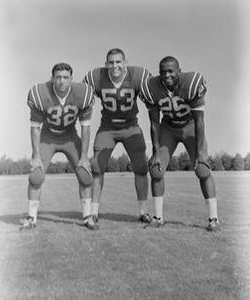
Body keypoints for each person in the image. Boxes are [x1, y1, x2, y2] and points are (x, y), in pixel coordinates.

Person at [140, 56, 220, 231]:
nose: (167, 75)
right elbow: (154, 122)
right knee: (156, 170)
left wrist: (200, 152)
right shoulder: (151, 87)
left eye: (170, 71)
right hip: (168, 128)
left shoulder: (191, 83)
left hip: (190, 126)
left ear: (179, 71)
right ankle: (158, 217)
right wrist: (155, 152)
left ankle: (213, 219)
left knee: (203, 169)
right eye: (163, 72)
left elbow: (200, 121)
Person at [20, 62, 96, 230]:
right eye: (58, 77)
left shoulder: (82, 93)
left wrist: (84, 156)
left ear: (71, 79)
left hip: (70, 137)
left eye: (65, 77)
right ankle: (31, 218)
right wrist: (36, 155)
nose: (62, 81)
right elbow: (35, 127)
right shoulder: (41, 93)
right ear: (52, 78)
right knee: (36, 177)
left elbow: (85, 126)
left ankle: (88, 216)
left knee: (85, 175)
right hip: (48, 137)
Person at [83, 48, 152, 229]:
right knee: (97, 167)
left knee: (141, 168)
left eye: (118, 62)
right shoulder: (96, 77)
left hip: (131, 126)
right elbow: (85, 98)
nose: (115, 66)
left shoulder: (138, 75)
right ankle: (94, 213)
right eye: (111, 62)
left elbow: (153, 98)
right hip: (108, 127)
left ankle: (143, 212)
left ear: (125, 62)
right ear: (106, 64)